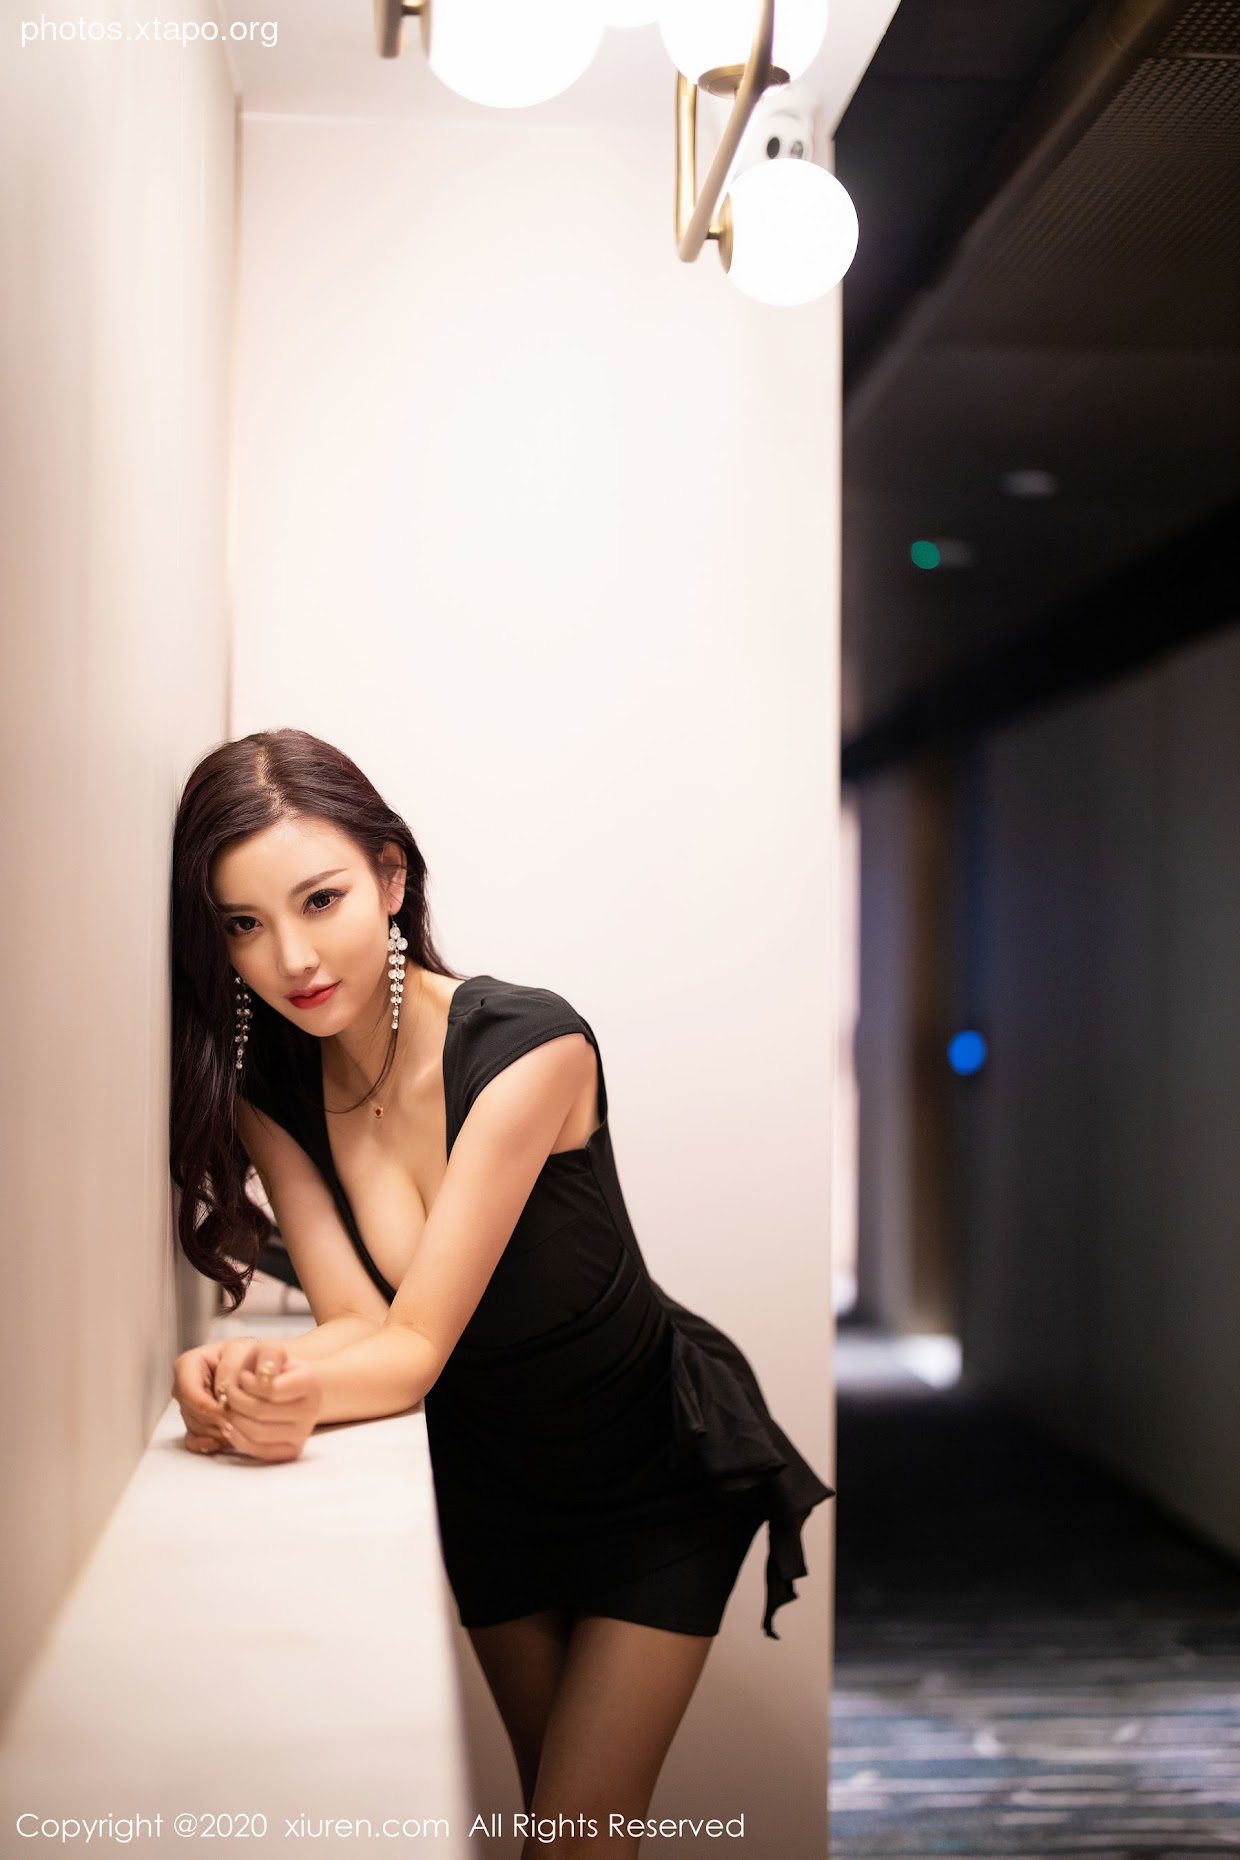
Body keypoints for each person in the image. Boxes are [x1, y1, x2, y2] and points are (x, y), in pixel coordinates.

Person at [168, 727, 833, 1858]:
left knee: (574, 1847)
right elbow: (359, 1322)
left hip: (651, 1476)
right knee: (552, 1831)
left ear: (390, 878)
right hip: (491, 1489)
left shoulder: (530, 1048)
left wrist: (286, 1399)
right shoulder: (269, 1088)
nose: (292, 957)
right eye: (243, 924)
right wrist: (233, 1378)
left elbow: (414, 1346)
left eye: (321, 899)